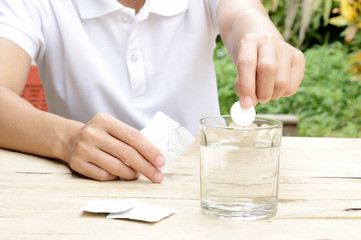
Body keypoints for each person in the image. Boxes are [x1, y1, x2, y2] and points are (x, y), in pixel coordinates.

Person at [0, 0, 305, 183]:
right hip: (87, 188)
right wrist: (67, 139)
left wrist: (263, 40)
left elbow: (244, 13)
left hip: (204, 185)